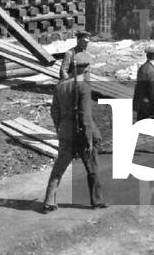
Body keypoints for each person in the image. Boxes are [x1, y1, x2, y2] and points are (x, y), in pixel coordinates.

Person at [43, 56, 106, 212]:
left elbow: (54, 112)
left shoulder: (60, 86)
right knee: (92, 168)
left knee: (59, 168)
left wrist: (61, 128)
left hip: (66, 132)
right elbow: (85, 116)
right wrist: (89, 139)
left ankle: (49, 201)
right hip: (82, 135)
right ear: (84, 69)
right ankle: (96, 201)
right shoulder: (83, 87)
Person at [132, 46, 154, 154]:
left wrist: (135, 104)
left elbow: (138, 88)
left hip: (142, 102)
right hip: (151, 103)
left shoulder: (143, 68)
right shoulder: (151, 72)